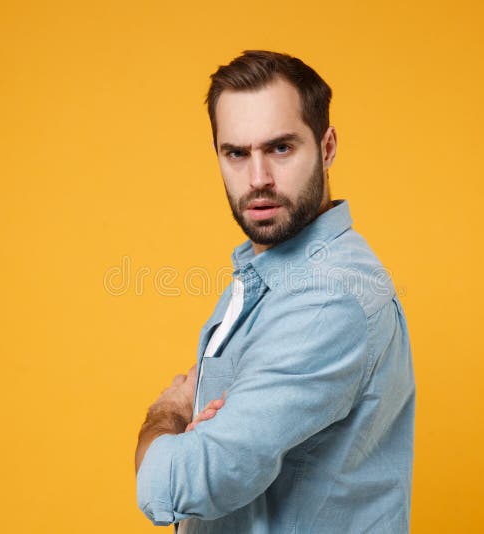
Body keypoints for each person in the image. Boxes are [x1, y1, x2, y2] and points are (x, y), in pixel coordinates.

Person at [135, 50, 415, 533]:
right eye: (237, 154)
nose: (258, 179)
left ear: (326, 147)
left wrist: (164, 419)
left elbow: (184, 484)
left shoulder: (327, 299)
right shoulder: (269, 272)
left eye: (281, 148)